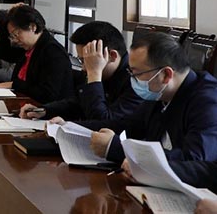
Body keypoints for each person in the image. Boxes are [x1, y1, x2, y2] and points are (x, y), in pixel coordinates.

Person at [81, 32, 217, 164]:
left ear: (166, 75)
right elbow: (127, 125)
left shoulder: (208, 102)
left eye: (137, 74)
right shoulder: (160, 94)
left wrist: (116, 148)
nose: (132, 80)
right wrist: (73, 128)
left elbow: (193, 160)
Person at [19, 21, 142, 122]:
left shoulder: (137, 81)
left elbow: (103, 122)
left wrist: (94, 74)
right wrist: (44, 110)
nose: (83, 67)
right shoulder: (96, 71)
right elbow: (78, 103)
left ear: (112, 56)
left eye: (85, 61)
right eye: (81, 60)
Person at [0, 5, 74, 104]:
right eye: (12, 36)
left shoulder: (53, 51)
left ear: (33, 27)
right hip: (24, 104)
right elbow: (2, 53)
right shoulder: (29, 47)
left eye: (16, 34)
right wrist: (7, 17)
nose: (15, 40)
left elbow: (48, 94)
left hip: (46, 110)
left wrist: (15, 85)